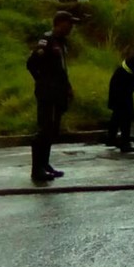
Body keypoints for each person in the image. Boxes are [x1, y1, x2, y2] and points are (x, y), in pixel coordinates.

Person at [26, 10, 79, 182]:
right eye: (69, 24)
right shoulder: (46, 40)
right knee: (44, 130)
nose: (71, 27)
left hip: (59, 91)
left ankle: (45, 164)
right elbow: (31, 64)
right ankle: (37, 169)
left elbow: (61, 70)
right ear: (60, 23)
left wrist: (68, 88)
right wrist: (42, 82)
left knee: (53, 130)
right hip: (47, 92)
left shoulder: (61, 42)